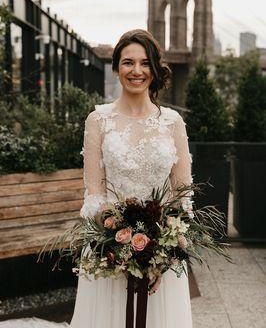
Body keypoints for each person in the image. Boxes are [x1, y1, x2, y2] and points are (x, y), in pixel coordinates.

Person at [0, 29, 193, 328]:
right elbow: (94, 196)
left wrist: (162, 254)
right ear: (115, 68)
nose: (137, 71)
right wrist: (121, 249)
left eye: (144, 63)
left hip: (162, 256)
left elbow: (182, 195)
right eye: (128, 62)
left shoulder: (172, 123)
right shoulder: (98, 121)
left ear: (155, 69)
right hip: (109, 251)